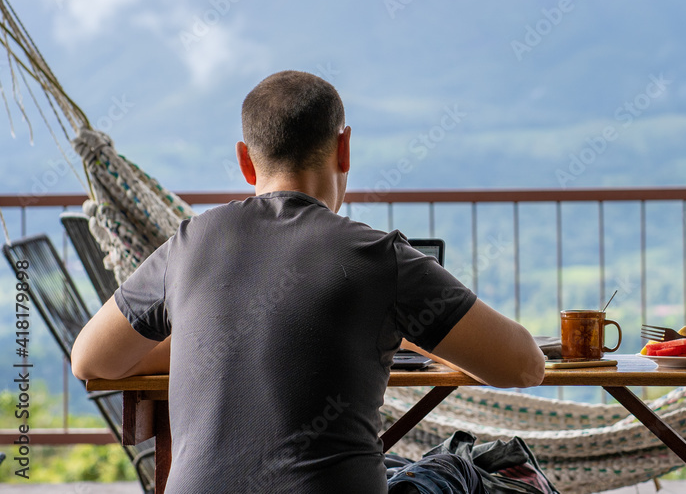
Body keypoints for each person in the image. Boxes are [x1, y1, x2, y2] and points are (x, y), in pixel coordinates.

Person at [71, 70, 546, 492]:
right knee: (481, 471)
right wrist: (410, 331)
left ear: (245, 161)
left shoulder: (189, 244)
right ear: (344, 148)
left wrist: (212, 337)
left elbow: (90, 359)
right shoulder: (380, 257)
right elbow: (524, 367)